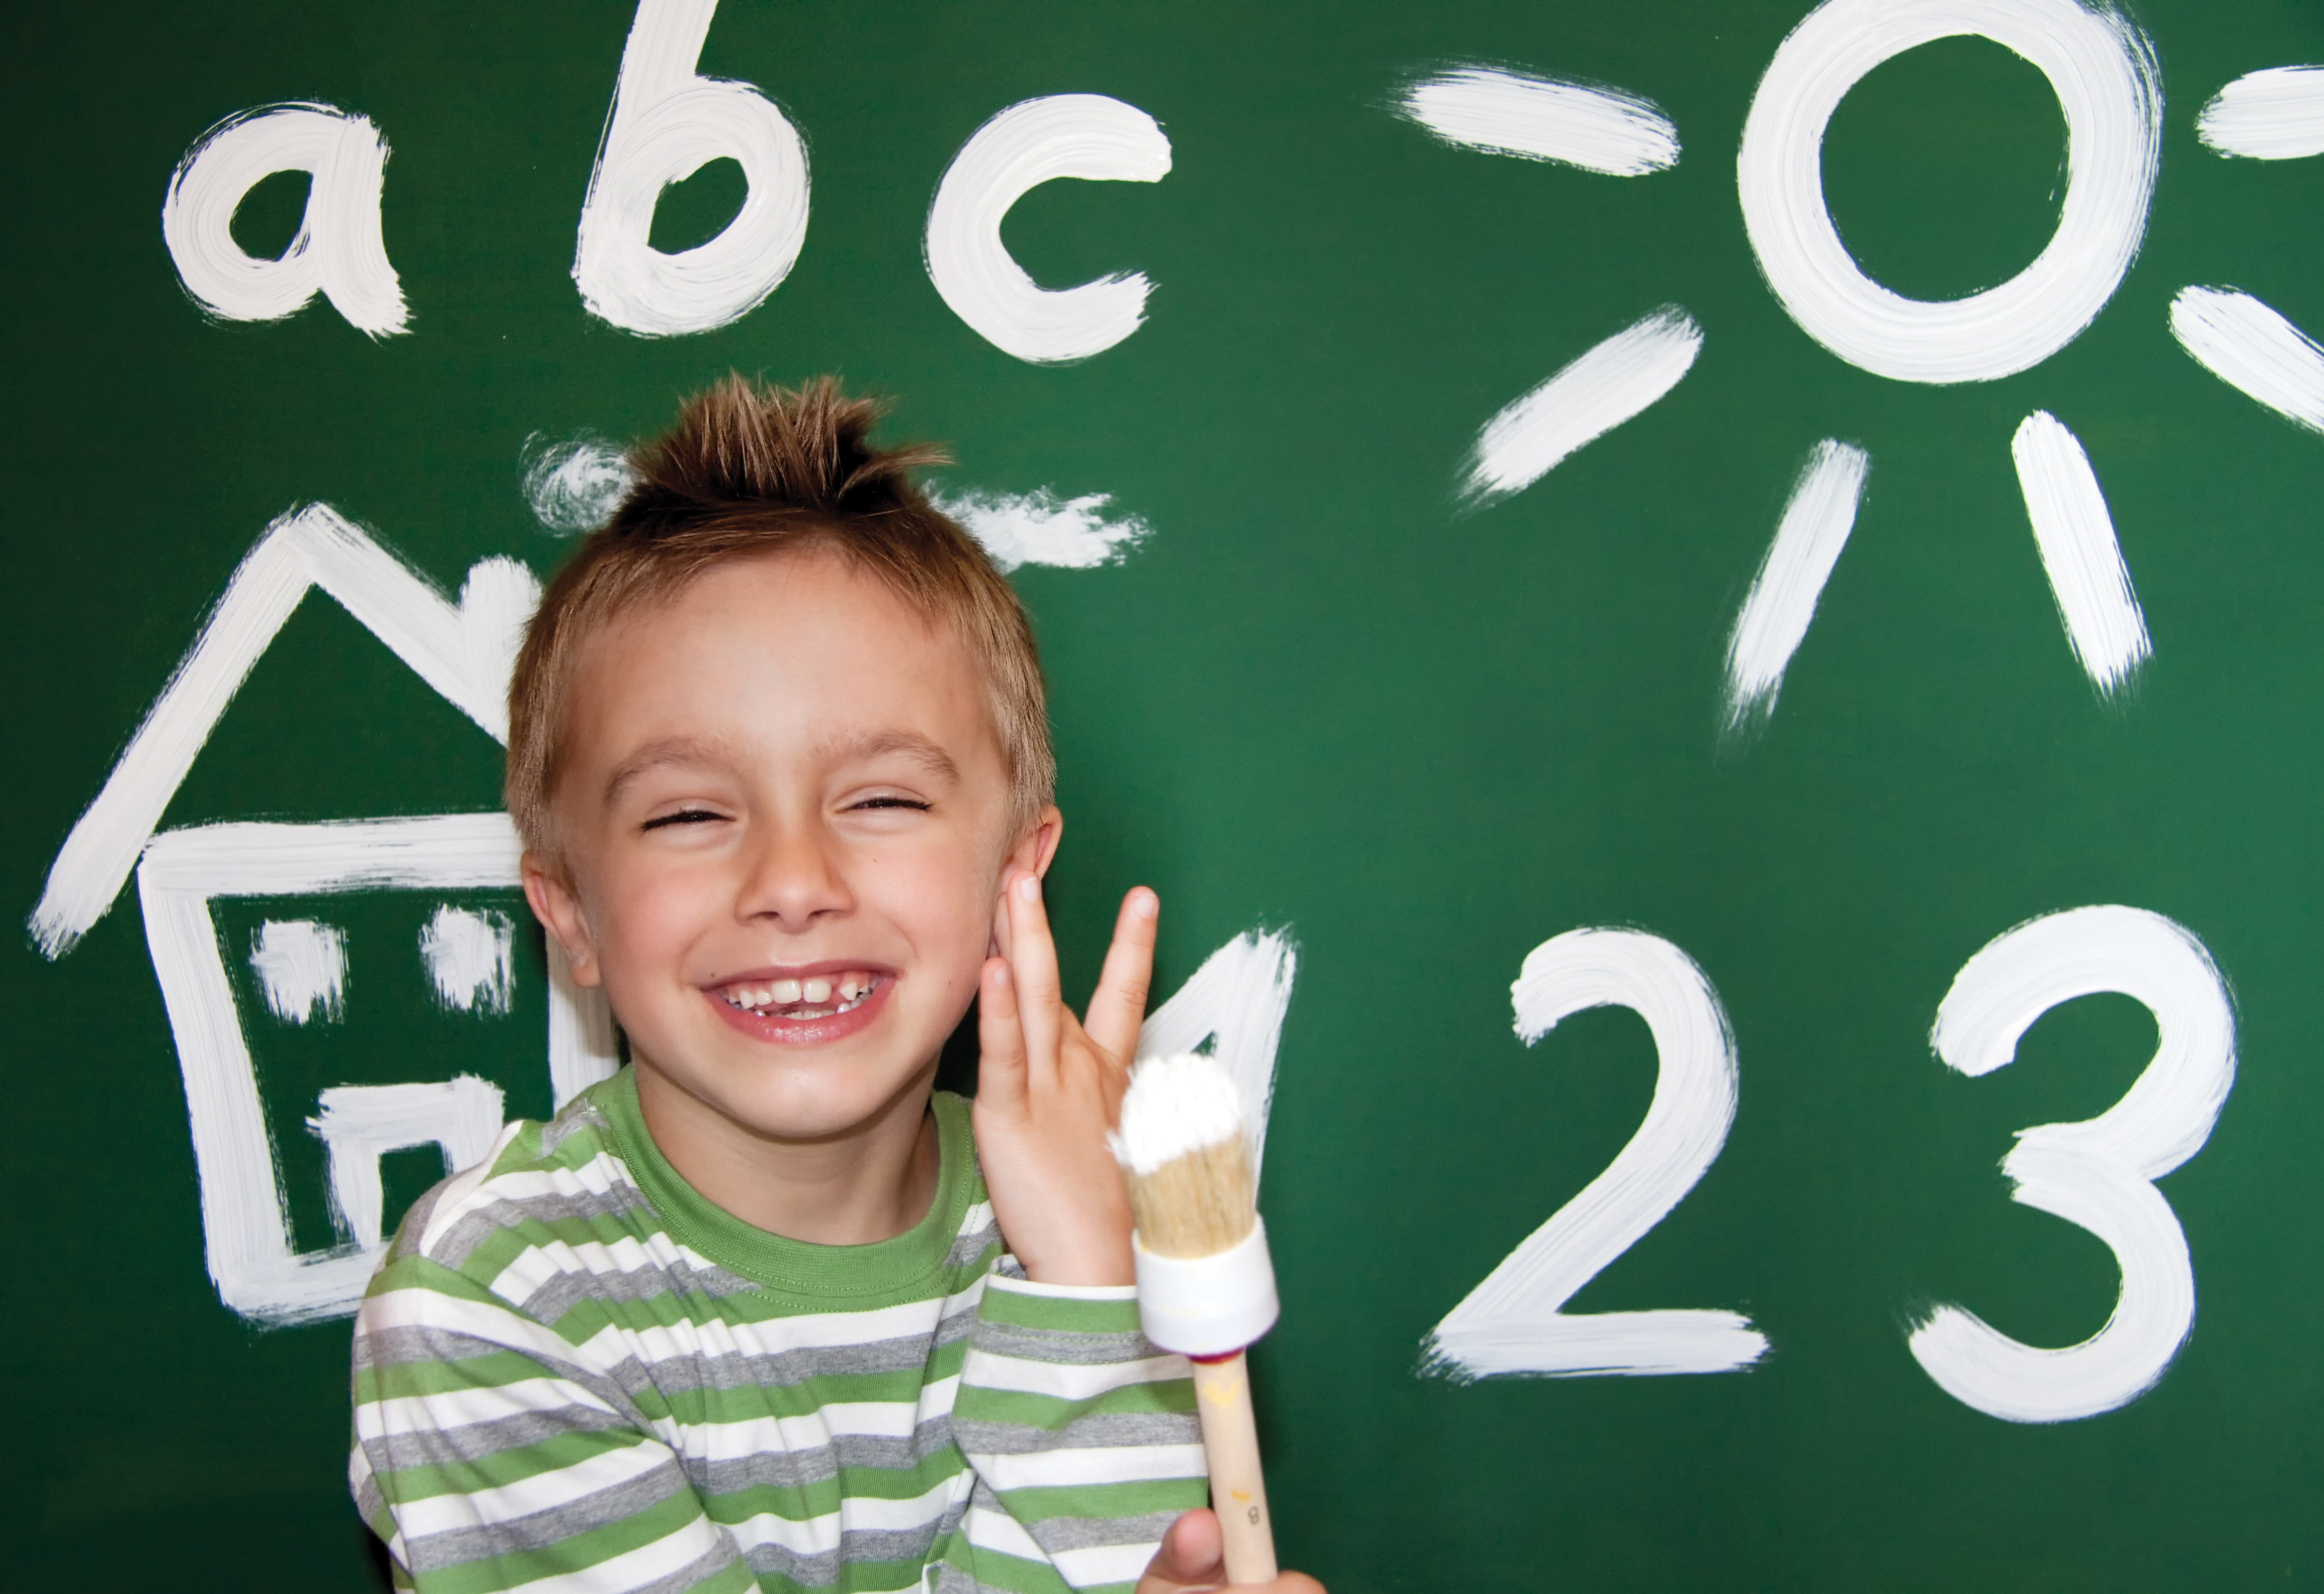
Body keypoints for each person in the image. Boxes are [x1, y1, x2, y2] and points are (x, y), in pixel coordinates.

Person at [348, 373, 1325, 1594]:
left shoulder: (1095, 1219)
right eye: (691, 812)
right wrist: (1090, 1298)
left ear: (1014, 877)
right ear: (569, 913)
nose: (794, 880)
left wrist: (1097, 1269)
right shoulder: (495, 1300)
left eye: (883, 800)